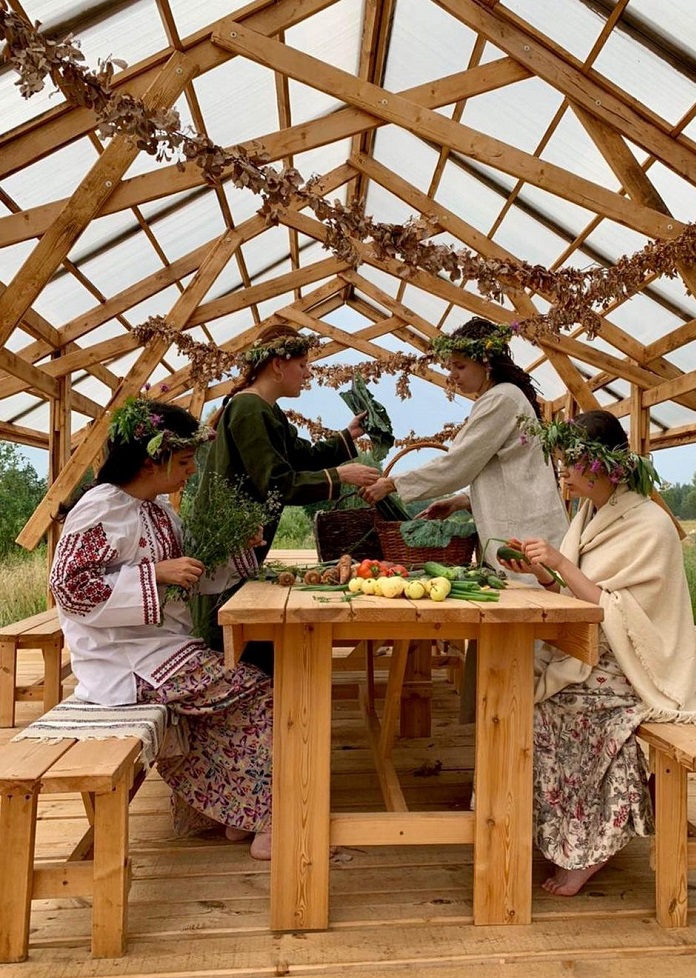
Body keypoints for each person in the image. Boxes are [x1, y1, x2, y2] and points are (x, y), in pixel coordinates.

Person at [501, 410, 696, 897]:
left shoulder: (651, 525)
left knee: (558, 712)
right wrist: (543, 573)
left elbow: (623, 612)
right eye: (561, 462)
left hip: (636, 667)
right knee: (511, 688)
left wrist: (561, 563)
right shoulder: (589, 515)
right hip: (594, 651)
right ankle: (528, 823)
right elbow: (581, 601)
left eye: (571, 463)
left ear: (606, 467)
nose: (563, 473)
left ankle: (590, 847)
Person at [50, 399, 274, 860]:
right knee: (259, 692)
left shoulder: (156, 511)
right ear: (155, 459)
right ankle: (268, 817)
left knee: (242, 691)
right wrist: (156, 576)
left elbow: (187, 573)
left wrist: (235, 549)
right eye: (187, 462)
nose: (191, 472)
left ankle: (236, 813)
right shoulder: (102, 508)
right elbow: (70, 587)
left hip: (160, 650)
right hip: (124, 660)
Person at [362, 316, 569, 721]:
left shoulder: (502, 399)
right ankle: (502, 730)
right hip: (522, 527)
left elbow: (459, 463)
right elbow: (502, 474)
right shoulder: (501, 399)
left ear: (486, 362)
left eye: (459, 367)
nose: (452, 376)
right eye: (450, 367)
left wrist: (393, 484)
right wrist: (460, 503)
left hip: (525, 536)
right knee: (519, 640)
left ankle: (518, 734)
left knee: (525, 644)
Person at [193, 323, 379, 654]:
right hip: (229, 544)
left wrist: (347, 437)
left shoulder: (266, 409)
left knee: (246, 640)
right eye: (303, 365)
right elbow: (278, 483)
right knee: (231, 641)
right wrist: (340, 476)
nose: (308, 374)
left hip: (245, 539)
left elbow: (301, 456)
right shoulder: (248, 409)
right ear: (278, 364)